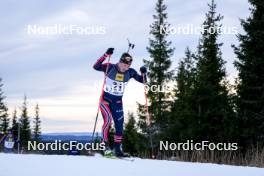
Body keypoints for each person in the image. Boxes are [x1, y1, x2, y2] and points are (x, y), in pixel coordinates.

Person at [93, 48, 147, 157]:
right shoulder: (110, 67)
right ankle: (106, 147)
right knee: (108, 121)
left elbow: (143, 81)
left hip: (117, 102)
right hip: (105, 101)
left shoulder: (130, 72)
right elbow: (95, 66)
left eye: (127, 66)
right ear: (120, 62)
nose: (125, 68)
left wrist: (144, 73)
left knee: (119, 126)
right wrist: (106, 54)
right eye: (124, 65)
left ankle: (118, 150)